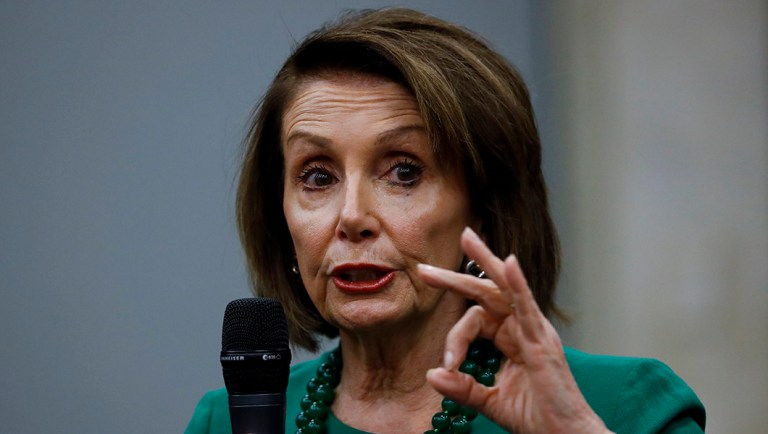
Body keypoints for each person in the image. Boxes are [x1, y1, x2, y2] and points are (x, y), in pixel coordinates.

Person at [186, 8, 705, 434]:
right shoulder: (224, 421)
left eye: (404, 172)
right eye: (318, 177)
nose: (352, 217)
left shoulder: (629, 407)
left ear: (480, 206)